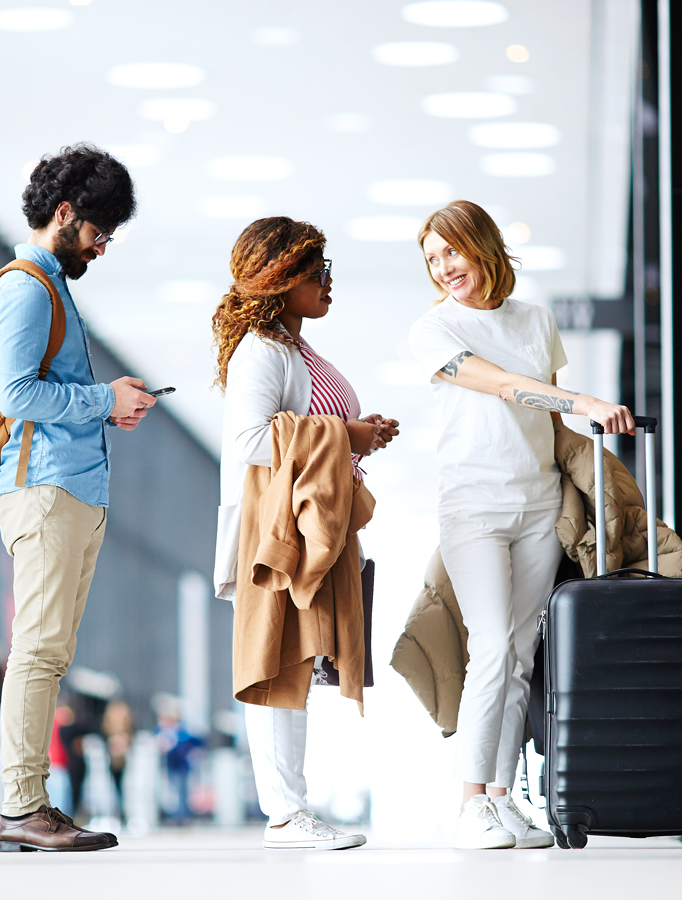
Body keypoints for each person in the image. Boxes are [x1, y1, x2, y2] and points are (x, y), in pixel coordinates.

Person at [407, 200, 634, 850]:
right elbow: (506, 387)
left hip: (537, 502)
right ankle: (468, 802)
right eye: (432, 259)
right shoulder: (434, 330)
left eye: (451, 250)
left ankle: (503, 798)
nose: (444, 267)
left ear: (481, 245)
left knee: (522, 653)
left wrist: (586, 440)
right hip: (472, 506)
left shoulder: (536, 320)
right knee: (492, 648)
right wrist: (583, 399)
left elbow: (549, 423)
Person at [212, 216, 399, 850]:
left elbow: (304, 427)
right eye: (315, 273)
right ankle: (285, 815)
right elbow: (249, 441)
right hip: (276, 536)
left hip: (306, 532)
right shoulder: (262, 353)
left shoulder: (294, 349)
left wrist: (359, 431)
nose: (327, 284)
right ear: (280, 279)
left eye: (328, 271)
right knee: (276, 664)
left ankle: (293, 811)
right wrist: (347, 435)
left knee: (297, 661)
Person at [0, 143, 152, 853]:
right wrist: (102, 399)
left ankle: (32, 804)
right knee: (38, 650)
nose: (102, 247)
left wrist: (106, 407)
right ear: (64, 213)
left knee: (49, 651)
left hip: (71, 490)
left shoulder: (53, 285)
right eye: (98, 232)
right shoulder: (26, 287)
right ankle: (22, 806)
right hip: (44, 486)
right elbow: (14, 393)